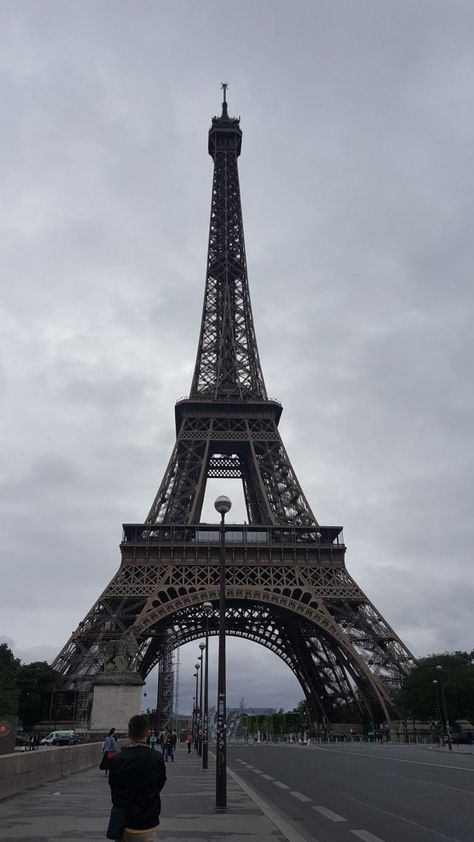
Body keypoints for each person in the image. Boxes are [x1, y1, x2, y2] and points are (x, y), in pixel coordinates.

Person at [109, 714, 166, 842]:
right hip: (148, 822)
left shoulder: (118, 759)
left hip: (124, 822)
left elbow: (112, 785)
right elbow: (160, 783)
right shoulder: (157, 758)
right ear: (146, 732)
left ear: (129, 733)